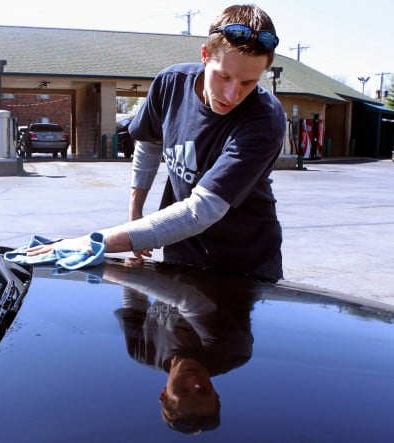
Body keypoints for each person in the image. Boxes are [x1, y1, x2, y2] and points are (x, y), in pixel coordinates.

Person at [27, 4, 285, 282]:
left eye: (248, 83)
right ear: (205, 55)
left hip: (244, 269)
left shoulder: (264, 120)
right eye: (224, 76)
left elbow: (202, 211)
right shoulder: (171, 84)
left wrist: (91, 244)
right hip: (180, 256)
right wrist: (135, 211)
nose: (232, 94)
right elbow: (149, 142)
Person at [106, 259, 256, 434]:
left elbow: (134, 304)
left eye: (183, 391)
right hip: (234, 255)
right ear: (216, 394)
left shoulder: (143, 352)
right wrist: (124, 275)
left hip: (175, 258)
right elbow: (189, 300)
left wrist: (136, 266)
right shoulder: (230, 352)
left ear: (164, 394)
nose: (193, 381)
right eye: (203, 390)